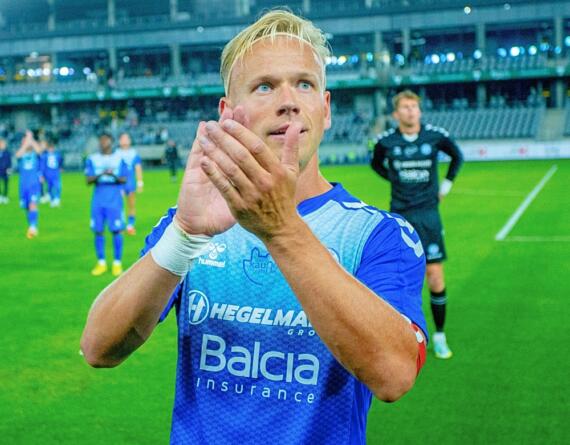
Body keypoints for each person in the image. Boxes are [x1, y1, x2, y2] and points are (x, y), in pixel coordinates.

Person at [81, 11, 427, 445]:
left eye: (305, 84)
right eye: (265, 86)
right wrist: (184, 235)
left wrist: (281, 230)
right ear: (228, 113)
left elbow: (394, 374)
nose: (289, 101)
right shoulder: (192, 224)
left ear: (325, 108)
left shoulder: (378, 234)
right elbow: (99, 347)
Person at [371, 89, 463, 359]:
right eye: (405, 107)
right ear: (396, 113)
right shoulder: (386, 141)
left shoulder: (435, 136)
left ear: (420, 111)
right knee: (398, 277)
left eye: (414, 106)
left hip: (428, 215)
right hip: (399, 215)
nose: (411, 111)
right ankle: (400, 335)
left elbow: (457, 156)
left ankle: (440, 336)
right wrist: (394, 178)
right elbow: (376, 164)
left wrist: (445, 187)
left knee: (434, 275)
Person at [85, 131, 128, 277]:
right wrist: (101, 174)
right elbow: (88, 180)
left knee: (117, 230)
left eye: (105, 140)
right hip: (98, 197)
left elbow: (124, 179)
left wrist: (112, 175)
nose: (103, 143)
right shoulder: (93, 159)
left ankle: (117, 263)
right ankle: (101, 262)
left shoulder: (119, 158)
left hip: (114, 197)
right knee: (98, 230)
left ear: (111, 141)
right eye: (101, 140)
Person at [15, 130, 43, 238]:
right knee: (27, 207)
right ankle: (31, 226)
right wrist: (26, 143)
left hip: (33, 184)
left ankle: (33, 226)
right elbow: (17, 155)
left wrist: (31, 139)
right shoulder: (21, 154)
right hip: (23, 184)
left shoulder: (35, 154)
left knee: (32, 204)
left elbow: (39, 151)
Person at [118, 132, 144, 235]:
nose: (124, 141)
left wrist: (140, 183)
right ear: (119, 141)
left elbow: (138, 168)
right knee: (119, 205)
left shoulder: (134, 154)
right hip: (119, 182)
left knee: (131, 204)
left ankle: (130, 225)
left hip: (130, 182)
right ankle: (120, 225)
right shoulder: (116, 154)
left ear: (130, 141)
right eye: (122, 139)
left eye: (126, 139)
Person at [40, 135, 64, 207]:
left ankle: (57, 199)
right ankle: (52, 199)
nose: (51, 149)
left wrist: (60, 167)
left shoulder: (57, 155)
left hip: (55, 173)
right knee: (49, 187)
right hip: (48, 173)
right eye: (50, 148)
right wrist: (42, 175)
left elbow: (61, 160)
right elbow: (42, 166)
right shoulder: (45, 156)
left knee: (57, 186)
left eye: (52, 148)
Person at [0, 137, 11, 204]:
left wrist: (9, 168)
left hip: (6, 170)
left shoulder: (7, 152)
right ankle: (0, 196)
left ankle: (5, 196)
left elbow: (9, 161)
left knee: (6, 183)